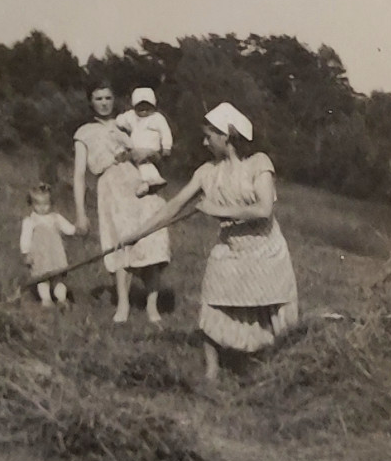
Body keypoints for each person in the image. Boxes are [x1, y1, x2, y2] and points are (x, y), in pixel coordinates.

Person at [119, 101, 297, 378]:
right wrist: (137, 235)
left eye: (209, 136)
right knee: (212, 300)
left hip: (265, 249)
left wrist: (217, 210)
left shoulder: (259, 162)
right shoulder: (206, 172)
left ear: (226, 136)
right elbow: (173, 206)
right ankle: (211, 372)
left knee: (272, 309)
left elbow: (263, 209)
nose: (204, 142)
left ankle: (278, 368)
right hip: (229, 247)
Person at [73, 84, 170, 324]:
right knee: (121, 243)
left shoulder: (128, 123)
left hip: (142, 180)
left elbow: (158, 151)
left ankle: (152, 306)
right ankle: (123, 305)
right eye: (98, 98)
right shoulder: (84, 132)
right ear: (90, 101)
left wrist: (150, 154)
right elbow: (79, 175)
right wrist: (81, 214)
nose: (104, 103)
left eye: (108, 97)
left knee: (153, 238)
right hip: (112, 186)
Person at [20, 183, 76, 307]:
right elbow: (25, 238)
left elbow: (69, 229)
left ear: (51, 203)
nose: (42, 208)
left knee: (58, 278)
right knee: (42, 279)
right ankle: (46, 300)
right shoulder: (30, 221)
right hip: (40, 256)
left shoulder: (55, 218)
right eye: (38, 204)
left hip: (55, 254)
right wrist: (26, 252)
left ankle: (61, 299)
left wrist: (75, 229)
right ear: (32, 204)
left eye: (46, 204)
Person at [115, 86, 173, 197]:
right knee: (134, 164)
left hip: (150, 148)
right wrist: (119, 123)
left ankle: (151, 182)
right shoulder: (131, 116)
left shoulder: (157, 118)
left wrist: (167, 146)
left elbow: (165, 132)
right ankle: (143, 183)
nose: (144, 112)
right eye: (140, 109)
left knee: (146, 165)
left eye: (148, 109)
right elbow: (120, 120)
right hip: (135, 147)